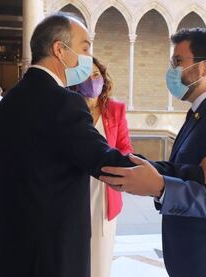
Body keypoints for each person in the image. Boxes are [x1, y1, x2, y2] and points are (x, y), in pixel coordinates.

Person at [0, 13, 206, 277]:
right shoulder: (62, 102)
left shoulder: (8, 103)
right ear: (59, 50)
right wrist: (196, 173)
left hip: (10, 247)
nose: (87, 56)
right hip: (51, 254)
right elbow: (110, 164)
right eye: (84, 47)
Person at [100, 28, 206, 277]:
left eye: (178, 61)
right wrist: (139, 168)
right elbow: (185, 170)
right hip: (195, 254)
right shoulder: (201, 112)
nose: (172, 69)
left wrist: (161, 187)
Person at [75, 57, 133, 277]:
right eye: (86, 76)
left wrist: (115, 163)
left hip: (104, 190)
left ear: (103, 77)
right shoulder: (69, 109)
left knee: (100, 256)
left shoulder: (115, 109)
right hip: (75, 187)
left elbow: (125, 146)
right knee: (75, 253)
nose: (92, 80)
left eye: (96, 74)